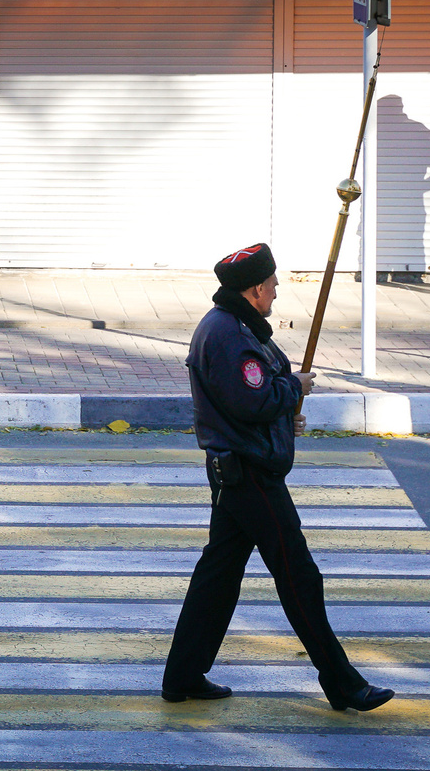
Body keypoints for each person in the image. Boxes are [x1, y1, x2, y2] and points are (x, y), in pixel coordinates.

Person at [161, 244, 394, 713]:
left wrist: (281, 416)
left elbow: (246, 404)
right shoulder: (228, 333)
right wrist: (293, 391)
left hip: (240, 469)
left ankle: (183, 675)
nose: (276, 294)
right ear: (254, 289)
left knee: (218, 577)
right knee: (299, 577)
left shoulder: (234, 325)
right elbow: (252, 399)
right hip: (250, 477)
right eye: (272, 287)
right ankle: (343, 684)